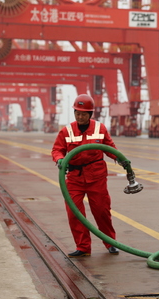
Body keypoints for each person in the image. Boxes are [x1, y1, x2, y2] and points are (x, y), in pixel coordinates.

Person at [51, 94, 141, 257]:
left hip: (96, 177)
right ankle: (83, 247)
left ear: (90, 114)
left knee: (102, 211)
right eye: (77, 113)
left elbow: (110, 148)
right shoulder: (67, 131)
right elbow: (57, 149)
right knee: (74, 213)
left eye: (83, 114)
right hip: (74, 177)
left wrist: (122, 161)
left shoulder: (100, 129)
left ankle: (111, 243)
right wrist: (60, 160)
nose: (80, 116)